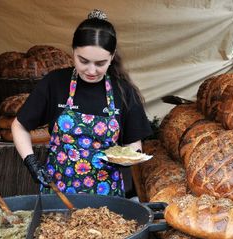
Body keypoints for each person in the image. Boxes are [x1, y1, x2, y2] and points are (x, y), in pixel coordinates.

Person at [11, 9, 152, 197]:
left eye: (100, 63)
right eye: (83, 61)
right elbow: (19, 126)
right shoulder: (55, 83)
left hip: (107, 197)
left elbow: (135, 144)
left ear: (112, 56)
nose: (91, 70)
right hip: (58, 193)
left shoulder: (124, 91)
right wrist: (31, 162)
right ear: (73, 51)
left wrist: (127, 157)